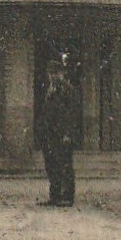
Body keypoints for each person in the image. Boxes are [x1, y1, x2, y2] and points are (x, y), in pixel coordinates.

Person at [39, 64, 76, 207]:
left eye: (56, 73)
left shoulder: (67, 90)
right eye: (50, 73)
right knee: (52, 165)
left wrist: (68, 133)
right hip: (50, 135)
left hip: (62, 135)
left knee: (65, 165)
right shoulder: (49, 90)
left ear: (62, 73)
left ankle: (67, 197)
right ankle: (54, 196)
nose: (53, 76)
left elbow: (71, 114)